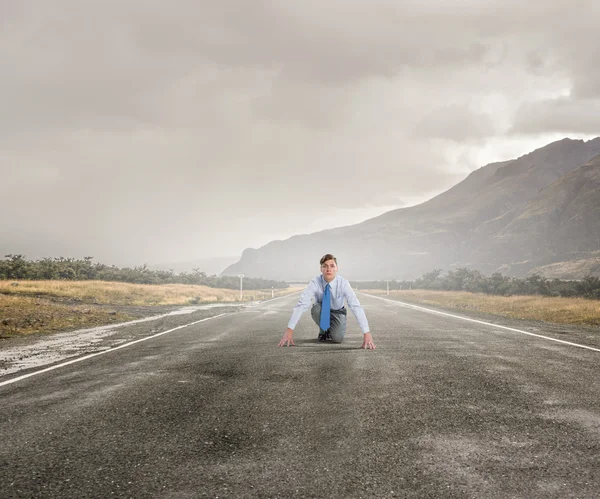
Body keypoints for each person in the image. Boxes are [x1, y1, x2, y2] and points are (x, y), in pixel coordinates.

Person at [278, 254, 376, 350]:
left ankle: (331, 330)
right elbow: (302, 304)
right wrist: (289, 330)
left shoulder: (343, 283)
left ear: (336, 268)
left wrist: (366, 333)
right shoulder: (315, 282)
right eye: (325, 266)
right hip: (321, 310)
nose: (328, 269)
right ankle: (323, 331)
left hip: (338, 312)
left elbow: (355, 306)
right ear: (321, 269)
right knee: (316, 308)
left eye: (332, 266)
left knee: (337, 339)